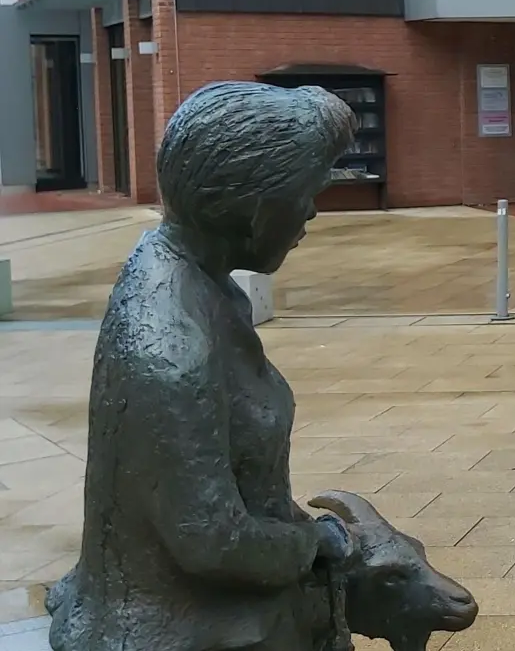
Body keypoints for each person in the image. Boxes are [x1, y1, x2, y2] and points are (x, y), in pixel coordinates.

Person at [47, 81, 359, 651]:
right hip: (181, 631)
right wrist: (312, 544)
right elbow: (211, 539)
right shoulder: (172, 350)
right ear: (256, 209)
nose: (313, 211)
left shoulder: (196, 276)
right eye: (309, 193)